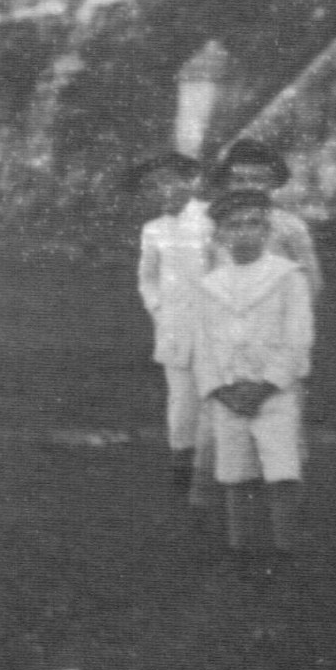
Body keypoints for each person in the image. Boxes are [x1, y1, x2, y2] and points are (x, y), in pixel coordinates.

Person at [192, 190, 314, 578]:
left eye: (254, 224)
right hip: (228, 393)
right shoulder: (212, 284)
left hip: (273, 392)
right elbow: (203, 343)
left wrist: (266, 385)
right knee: (235, 469)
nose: (244, 233)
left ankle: (285, 549)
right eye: (234, 225)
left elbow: (299, 338)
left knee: (281, 467)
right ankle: (241, 547)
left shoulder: (286, 277)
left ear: (267, 229)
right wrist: (221, 389)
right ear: (220, 235)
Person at [127, 151, 214, 506]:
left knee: (217, 394)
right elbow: (147, 278)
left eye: (170, 180)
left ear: (189, 181)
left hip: (216, 324)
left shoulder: (212, 219)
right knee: (181, 398)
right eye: (153, 185)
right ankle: (183, 464)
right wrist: (160, 309)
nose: (163, 190)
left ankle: (218, 471)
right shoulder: (153, 230)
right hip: (175, 327)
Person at [210, 139, 324, 300]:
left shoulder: (290, 225)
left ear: (273, 182)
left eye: (257, 180)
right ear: (226, 183)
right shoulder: (213, 224)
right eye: (239, 180)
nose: (248, 186)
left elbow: (312, 282)